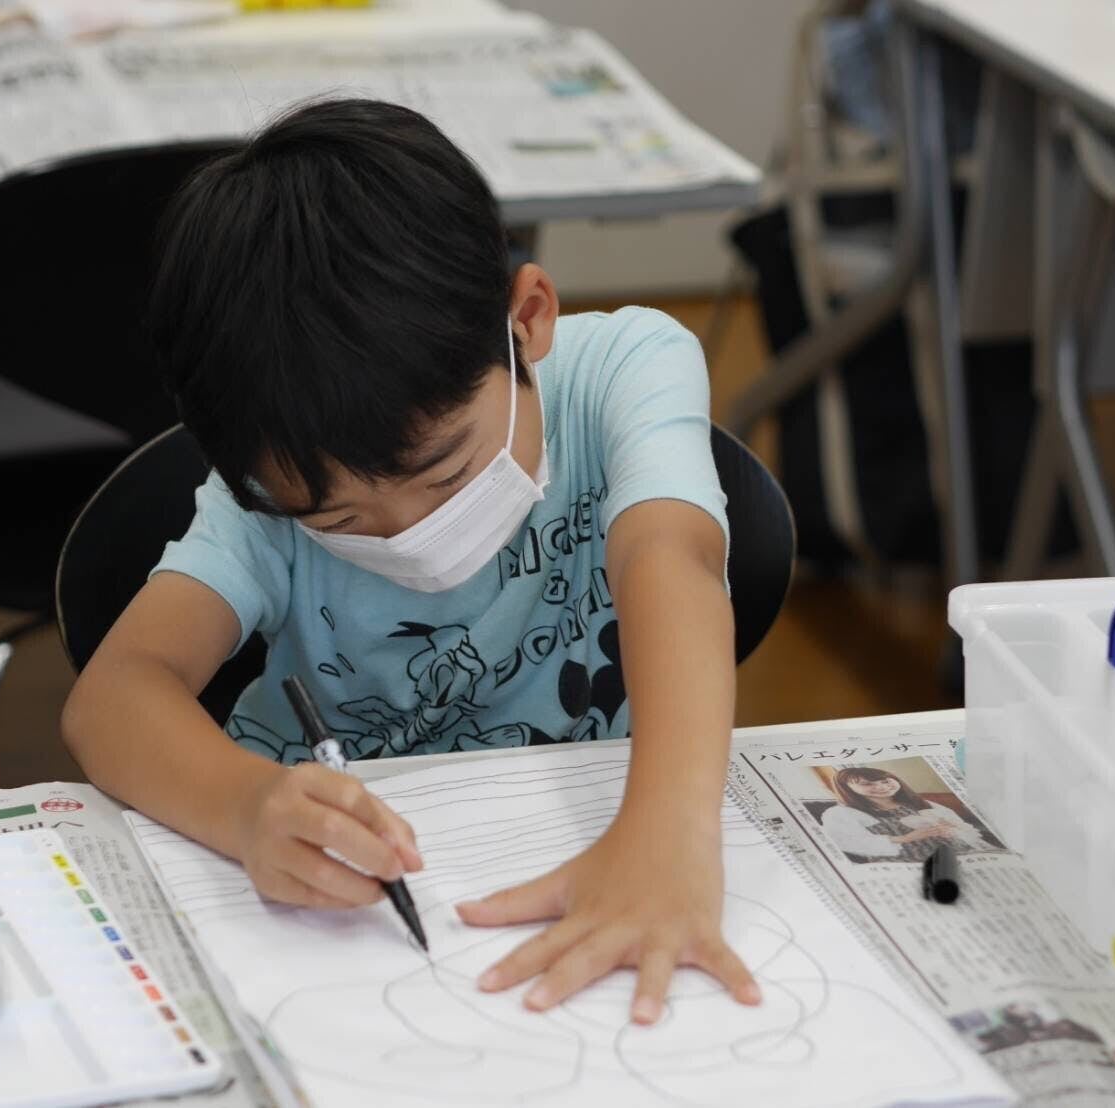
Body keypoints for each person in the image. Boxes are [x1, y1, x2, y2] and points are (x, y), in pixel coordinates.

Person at [61, 98, 756, 1027]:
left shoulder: (624, 369)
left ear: (526, 320)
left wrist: (668, 836)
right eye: (339, 517)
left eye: (445, 473)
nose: (403, 535)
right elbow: (111, 697)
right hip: (324, 892)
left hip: (600, 823)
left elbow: (671, 558)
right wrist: (248, 808)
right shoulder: (263, 492)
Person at [819, 766, 995, 862]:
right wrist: (905, 838)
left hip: (962, 854)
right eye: (867, 784)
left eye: (885, 781)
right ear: (847, 789)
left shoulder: (921, 803)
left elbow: (965, 829)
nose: (881, 787)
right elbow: (845, 842)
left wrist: (955, 829)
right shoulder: (840, 813)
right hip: (911, 863)